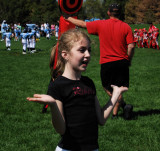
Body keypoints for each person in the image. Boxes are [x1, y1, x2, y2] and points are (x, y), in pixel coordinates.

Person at [27, 29, 128, 151]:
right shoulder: (58, 85)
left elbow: (101, 119)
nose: (88, 55)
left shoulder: (88, 83)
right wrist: (53, 105)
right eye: (82, 50)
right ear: (65, 55)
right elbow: (61, 129)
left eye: (89, 50)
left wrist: (115, 95)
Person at [65, 3, 135, 120]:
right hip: (122, 61)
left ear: (108, 13)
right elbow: (131, 46)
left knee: (108, 88)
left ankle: (119, 109)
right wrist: (129, 59)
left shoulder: (101, 24)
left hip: (107, 62)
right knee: (119, 87)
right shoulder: (126, 27)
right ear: (120, 13)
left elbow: (82, 24)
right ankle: (118, 111)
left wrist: (68, 18)